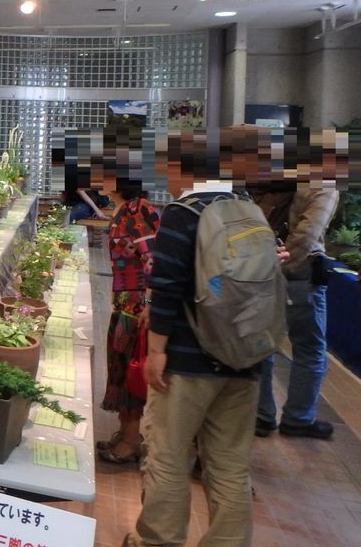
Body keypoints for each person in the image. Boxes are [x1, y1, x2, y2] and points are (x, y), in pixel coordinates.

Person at [125, 170, 284, 547]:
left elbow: (167, 286)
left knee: (168, 455)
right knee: (230, 466)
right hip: (245, 358)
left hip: (188, 361)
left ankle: (157, 541)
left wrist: (157, 351)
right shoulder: (249, 209)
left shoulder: (184, 213)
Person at [253, 179, 339, 439]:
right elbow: (308, 235)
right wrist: (283, 269)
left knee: (262, 346)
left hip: (262, 273)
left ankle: (261, 414)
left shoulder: (272, 182)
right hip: (301, 277)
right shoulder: (323, 186)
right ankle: (298, 418)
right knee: (310, 349)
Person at [97, 182, 159, 464]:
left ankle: (132, 440)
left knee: (130, 369)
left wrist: (147, 305)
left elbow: (155, 264)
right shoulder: (123, 209)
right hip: (126, 302)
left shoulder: (138, 213)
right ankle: (125, 432)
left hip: (136, 307)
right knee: (120, 367)